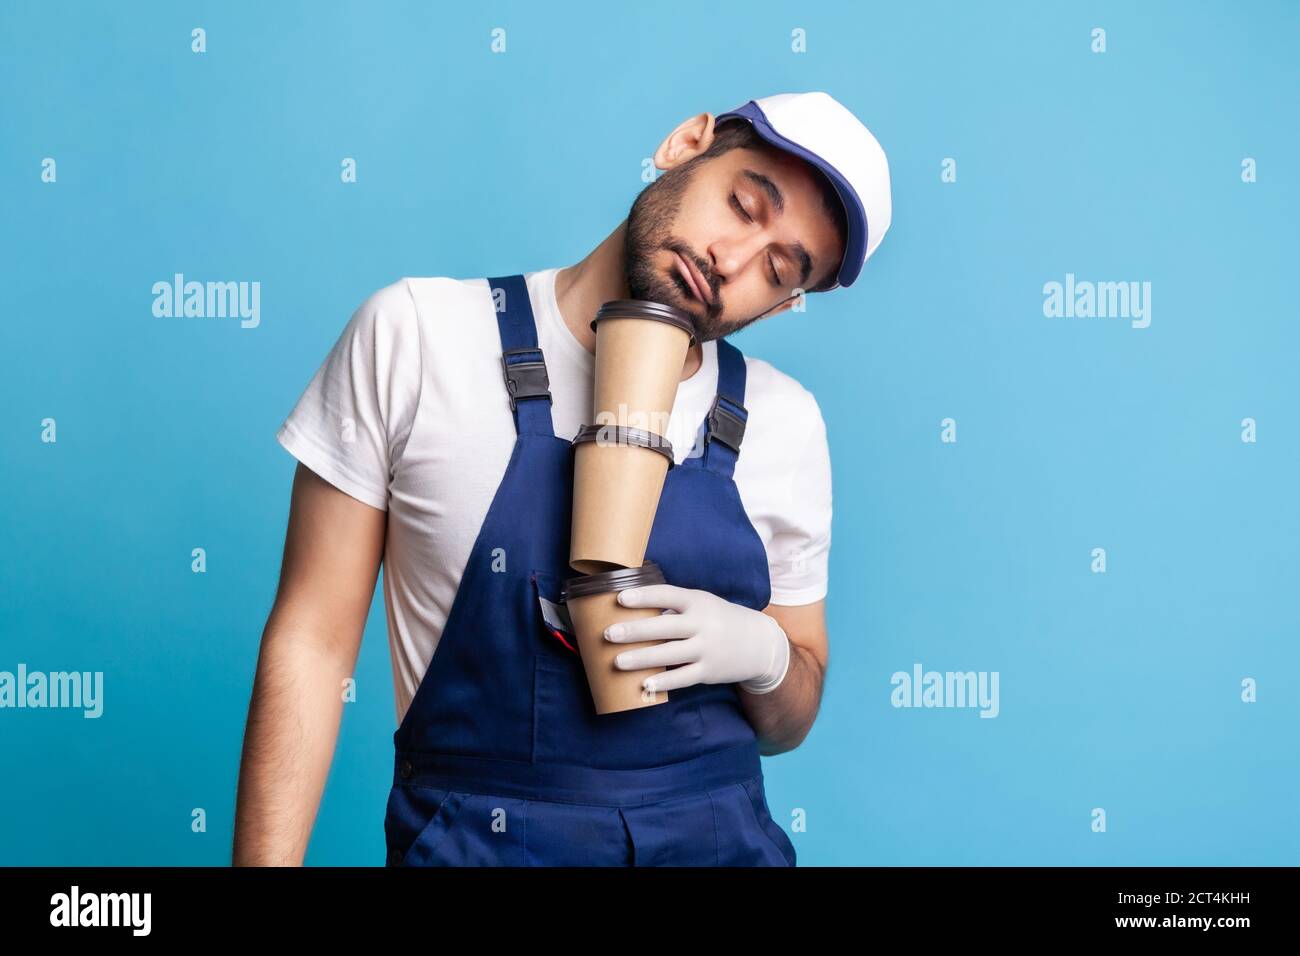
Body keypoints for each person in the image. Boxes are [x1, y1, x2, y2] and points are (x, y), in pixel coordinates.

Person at [232, 90, 892, 867]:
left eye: (780, 269)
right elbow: (310, 643)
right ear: (686, 143)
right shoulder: (418, 337)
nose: (732, 260)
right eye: (743, 205)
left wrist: (766, 655)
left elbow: (791, 716)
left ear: (782, 306)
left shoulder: (783, 421)